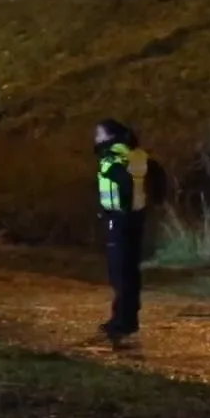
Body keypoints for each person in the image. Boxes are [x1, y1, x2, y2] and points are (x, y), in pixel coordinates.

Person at [96, 119, 151, 342]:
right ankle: (127, 319)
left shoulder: (111, 157)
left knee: (119, 272)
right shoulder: (137, 154)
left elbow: (123, 182)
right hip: (137, 218)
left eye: (99, 134)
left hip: (120, 219)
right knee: (130, 271)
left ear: (110, 136)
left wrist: (121, 210)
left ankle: (121, 323)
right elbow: (156, 176)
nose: (96, 139)